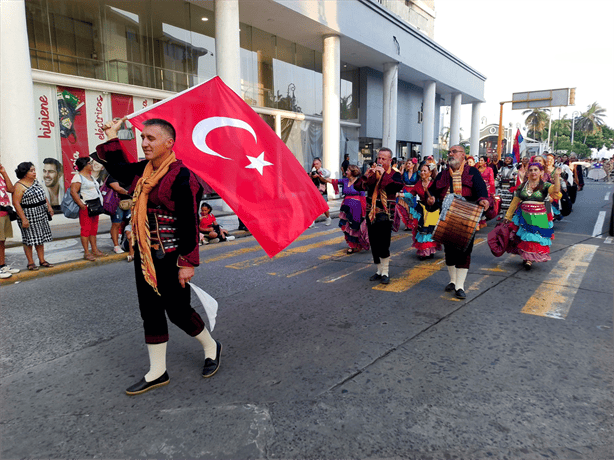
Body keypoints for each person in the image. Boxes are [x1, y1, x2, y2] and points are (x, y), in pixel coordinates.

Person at [98, 117, 221, 395]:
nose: (144, 143)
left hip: (172, 256)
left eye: (151, 139)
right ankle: (158, 372)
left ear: (169, 143)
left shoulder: (182, 176)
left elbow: (189, 222)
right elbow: (119, 170)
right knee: (150, 311)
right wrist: (111, 136)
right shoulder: (145, 170)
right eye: (143, 138)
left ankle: (211, 347)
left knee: (178, 311)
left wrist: (187, 263)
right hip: (145, 255)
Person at [426, 145, 489, 299]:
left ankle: (460, 286)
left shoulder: (472, 172)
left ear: (463, 155)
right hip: (447, 217)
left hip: (467, 217)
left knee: (464, 251)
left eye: (454, 152)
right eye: (449, 152)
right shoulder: (442, 175)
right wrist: (430, 200)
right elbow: (432, 194)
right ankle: (453, 281)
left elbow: (482, 193)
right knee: (449, 252)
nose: (451, 154)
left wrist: (483, 201)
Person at [354, 147, 404, 284]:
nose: (380, 161)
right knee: (374, 243)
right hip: (371, 212)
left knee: (384, 243)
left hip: (386, 213)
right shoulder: (372, 173)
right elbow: (358, 187)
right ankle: (378, 270)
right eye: (379, 158)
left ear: (390, 160)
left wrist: (383, 175)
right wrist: (366, 174)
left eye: (383, 159)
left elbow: (396, 187)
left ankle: (385, 272)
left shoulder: (395, 174)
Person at [503, 162, 561, 269]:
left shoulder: (545, 186)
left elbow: (556, 191)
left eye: (536, 170)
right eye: (531, 170)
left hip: (539, 217)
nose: (533, 172)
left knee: (534, 239)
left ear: (541, 172)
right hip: (524, 216)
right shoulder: (522, 186)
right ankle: (527, 258)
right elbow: (515, 201)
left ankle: (529, 259)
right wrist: (508, 216)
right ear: (528, 172)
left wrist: (557, 176)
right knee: (525, 238)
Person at [12, 162, 54, 271]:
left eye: (34, 170)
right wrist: (23, 219)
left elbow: (43, 196)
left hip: (41, 213)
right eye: (31, 171)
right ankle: (30, 262)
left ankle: (42, 260)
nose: (34, 172)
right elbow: (16, 203)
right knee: (29, 240)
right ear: (25, 173)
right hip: (28, 214)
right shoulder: (19, 186)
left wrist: (49, 207)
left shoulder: (35, 182)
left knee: (40, 238)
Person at [397, 164, 441, 260]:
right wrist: (400, 194)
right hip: (422, 209)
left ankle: (430, 250)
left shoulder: (434, 184)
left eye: (425, 171)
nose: (422, 173)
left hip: (433, 210)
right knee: (421, 230)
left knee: (431, 230)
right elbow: (411, 194)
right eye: (421, 171)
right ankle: (424, 251)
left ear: (430, 173)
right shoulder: (418, 184)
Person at [323, 164, 369, 254]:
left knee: (355, 227)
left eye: (348, 170)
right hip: (346, 207)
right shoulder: (344, 180)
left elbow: (363, 197)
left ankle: (358, 244)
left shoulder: (360, 182)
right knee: (347, 227)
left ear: (352, 172)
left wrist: (364, 211)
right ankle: (351, 245)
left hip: (357, 208)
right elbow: (331, 181)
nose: (346, 172)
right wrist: (321, 175)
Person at [71, 157, 105, 261]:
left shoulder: (91, 177)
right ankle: (86, 252)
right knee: (85, 229)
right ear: (85, 165)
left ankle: (94, 249)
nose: (91, 165)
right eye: (89, 163)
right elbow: (73, 192)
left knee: (94, 229)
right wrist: (81, 204)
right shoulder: (78, 178)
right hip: (86, 206)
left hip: (95, 205)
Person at [0, 164, 20, 278]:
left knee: (2, 241)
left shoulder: (1, 177)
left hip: (4, 213)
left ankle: (2, 265)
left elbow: (11, 189)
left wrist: (4, 172)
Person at [105, 175, 132, 254]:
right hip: (116, 202)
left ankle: (123, 243)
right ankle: (116, 246)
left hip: (129, 202)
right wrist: (131, 193)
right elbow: (117, 188)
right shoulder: (112, 176)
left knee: (126, 223)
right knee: (116, 223)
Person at [308, 157, 332, 226]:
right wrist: (312, 176)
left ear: (320, 164)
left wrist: (319, 176)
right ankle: (312, 221)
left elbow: (325, 180)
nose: (316, 165)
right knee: (313, 206)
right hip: (314, 191)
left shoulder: (324, 171)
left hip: (322, 192)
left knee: (324, 207)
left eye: (317, 164)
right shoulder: (312, 171)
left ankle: (328, 218)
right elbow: (309, 180)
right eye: (314, 164)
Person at [496, 155, 517, 220]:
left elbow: (516, 177)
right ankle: (501, 215)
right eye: (506, 159)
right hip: (502, 187)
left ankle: (508, 216)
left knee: (509, 202)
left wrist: (513, 179)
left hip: (509, 187)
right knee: (502, 201)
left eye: (509, 159)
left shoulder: (514, 168)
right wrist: (498, 181)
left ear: (511, 160)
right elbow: (498, 176)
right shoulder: (502, 168)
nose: (507, 160)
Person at [477, 155, 495, 229]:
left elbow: (491, 181)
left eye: (481, 160)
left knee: (484, 205)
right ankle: (480, 222)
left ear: (485, 161)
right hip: (478, 190)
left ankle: (482, 221)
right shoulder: (476, 169)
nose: (480, 162)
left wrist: (492, 192)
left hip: (487, 190)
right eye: (479, 160)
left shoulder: (489, 169)